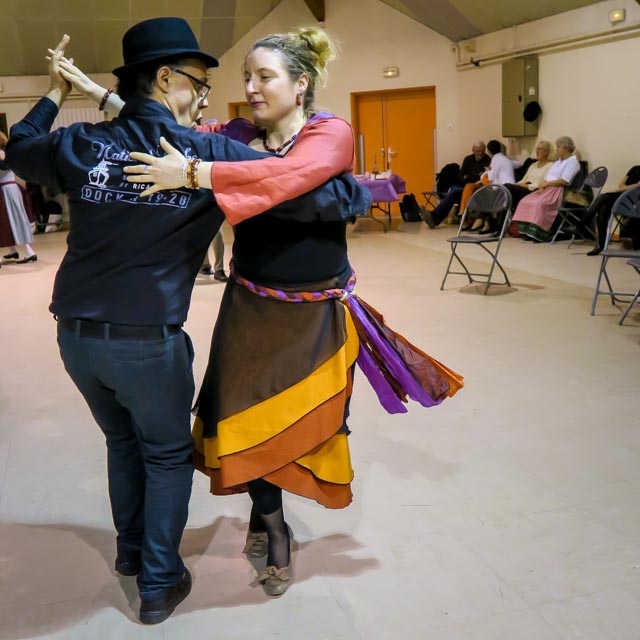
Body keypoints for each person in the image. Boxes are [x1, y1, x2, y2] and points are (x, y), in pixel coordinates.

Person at [6, 22, 369, 623]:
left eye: (261, 77)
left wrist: (55, 92)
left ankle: (130, 552)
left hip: (75, 338)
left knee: (122, 442)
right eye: (202, 83)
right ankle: (157, 585)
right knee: (165, 456)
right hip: (147, 343)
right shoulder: (206, 151)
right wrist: (358, 196)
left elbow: (19, 145)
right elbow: (297, 186)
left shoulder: (82, 143)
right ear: (166, 78)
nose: (214, 94)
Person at [122, 27, 464, 598]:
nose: (251, 88)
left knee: (309, 422)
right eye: (246, 77)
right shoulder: (238, 136)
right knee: (247, 419)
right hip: (252, 309)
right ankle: (272, 522)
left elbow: (288, 180)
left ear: (300, 83)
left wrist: (196, 174)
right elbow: (171, 131)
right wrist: (101, 96)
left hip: (316, 314)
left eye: (265, 76)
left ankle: (270, 517)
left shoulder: (328, 133)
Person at [512, 136, 581, 242]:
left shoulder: (573, 162)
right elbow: (548, 177)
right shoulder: (557, 162)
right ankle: (527, 232)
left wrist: (547, 184)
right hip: (547, 188)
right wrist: (543, 186)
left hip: (558, 190)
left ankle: (541, 234)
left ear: (565, 148)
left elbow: (564, 181)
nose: (556, 150)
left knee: (540, 204)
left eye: (558, 147)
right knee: (525, 201)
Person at [421, 140, 489, 228]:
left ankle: (435, 217)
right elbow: (460, 176)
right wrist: (466, 181)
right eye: (477, 151)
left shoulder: (488, 161)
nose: (480, 153)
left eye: (482, 150)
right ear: (473, 150)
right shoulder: (468, 159)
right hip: (464, 185)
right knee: (454, 190)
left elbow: (485, 178)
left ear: (485, 149)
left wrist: (472, 181)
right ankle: (435, 218)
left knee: (455, 192)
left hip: (477, 188)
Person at [0, 132, 37, 266]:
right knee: (11, 219)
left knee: (10, 220)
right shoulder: (6, 153)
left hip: (6, 190)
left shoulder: (1, 154)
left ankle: (29, 251)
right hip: (10, 188)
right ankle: (12, 250)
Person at [586, 165, 640, 255]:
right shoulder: (635, 169)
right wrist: (631, 187)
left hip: (634, 202)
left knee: (605, 197)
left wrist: (620, 190)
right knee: (603, 207)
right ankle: (600, 244)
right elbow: (621, 185)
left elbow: (637, 188)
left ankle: (585, 223)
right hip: (622, 196)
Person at [465, 138, 515, 235]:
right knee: (485, 192)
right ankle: (485, 223)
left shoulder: (496, 159)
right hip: (508, 187)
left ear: (488, 150)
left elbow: (491, 177)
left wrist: (487, 171)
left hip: (504, 189)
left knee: (482, 195)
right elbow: (518, 164)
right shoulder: (504, 159)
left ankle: (484, 222)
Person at [504, 140, 553, 210]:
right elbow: (524, 179)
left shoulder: (550, 166)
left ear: (546, 152)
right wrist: (517, 184)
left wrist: (525, 186)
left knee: (507, 188)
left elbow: (542, 184)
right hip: (525, 187)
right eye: (537, 149)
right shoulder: (533, 165)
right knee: (504, 188)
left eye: (540, 149)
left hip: (534, 190)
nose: (537, 151)